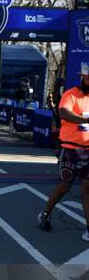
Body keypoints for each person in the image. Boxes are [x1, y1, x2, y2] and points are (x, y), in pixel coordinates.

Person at [38, 64, 89, 240]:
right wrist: (85, 119)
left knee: (86, 190)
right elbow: (63, 113)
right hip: (71, 150)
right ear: (82, 77)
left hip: (88, 151)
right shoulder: (71, 94)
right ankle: (45, 213)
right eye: (87, 77)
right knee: (64, 186)